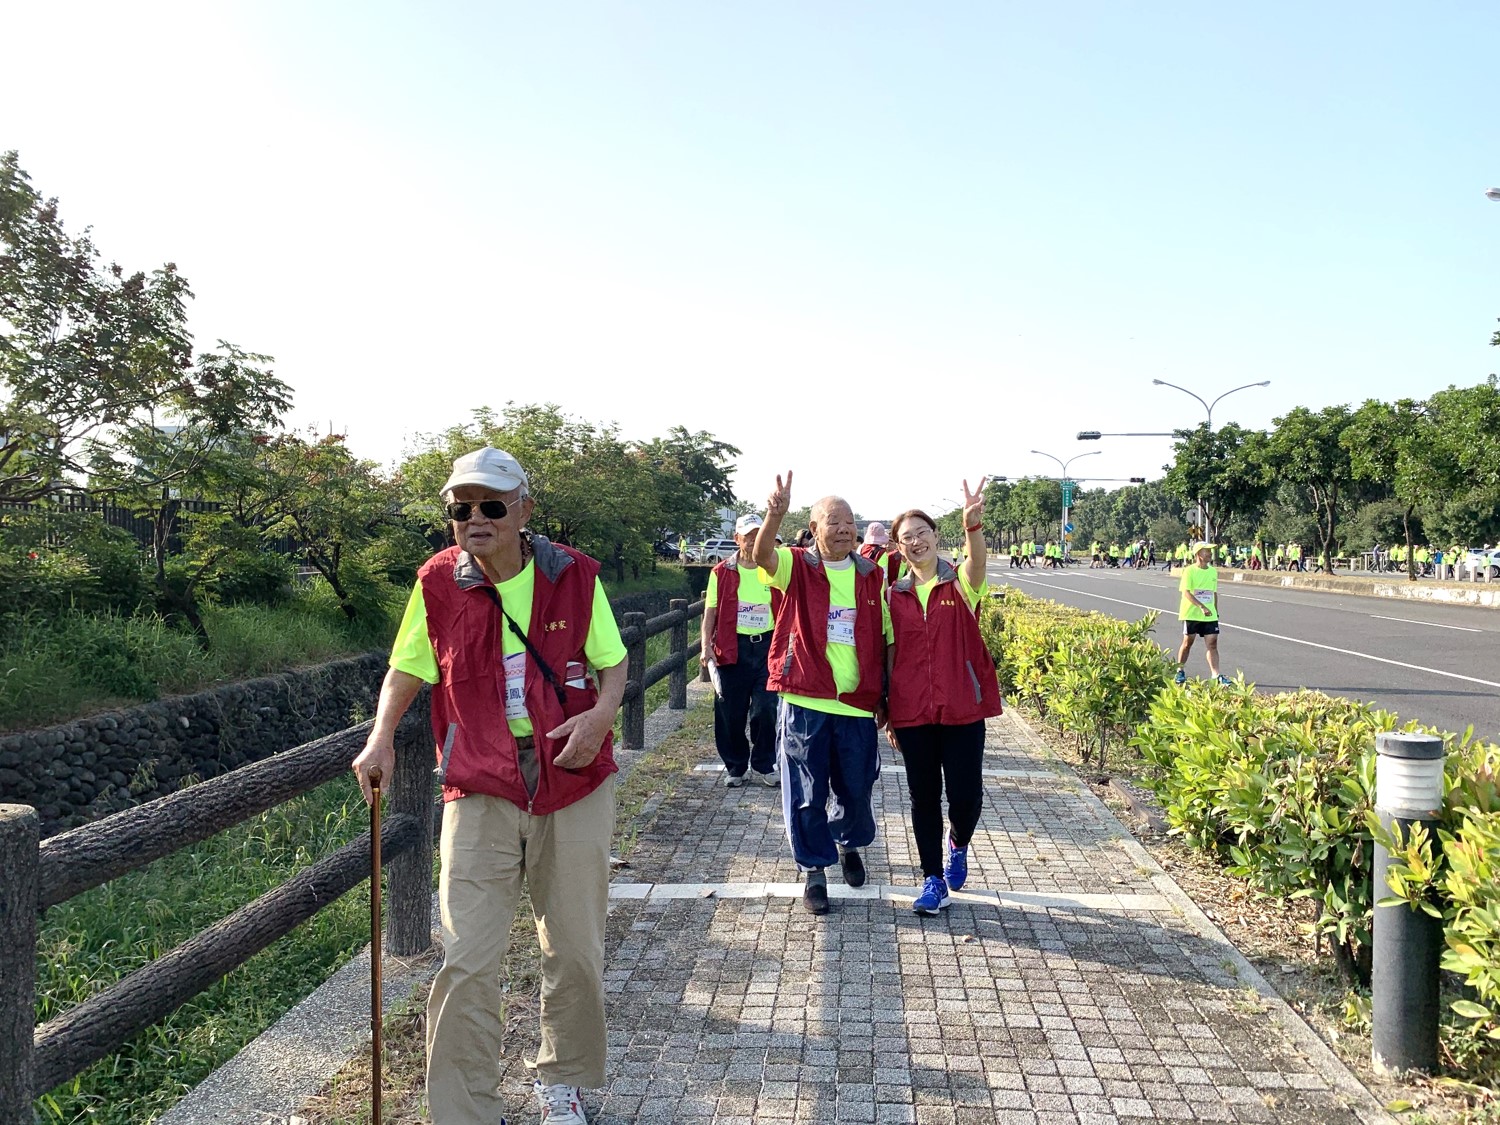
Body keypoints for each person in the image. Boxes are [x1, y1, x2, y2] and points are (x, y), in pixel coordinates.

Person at [352, 446, 627, 1125]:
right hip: (479, 778)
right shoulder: (438, 581)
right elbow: (406, 668)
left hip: (571, 775)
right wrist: (381, 734)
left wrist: (598, 716)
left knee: (574, 947)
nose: (475, 518)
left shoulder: (572, 574)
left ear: (524, 509)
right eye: (461, 507)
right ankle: (465, 1108)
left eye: (492, 505)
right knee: (468, 955)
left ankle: (562, 1082)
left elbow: (613, 665)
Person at [752, 472, 890, 916]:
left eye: (850, 521)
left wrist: (885, 695)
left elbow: (885, 637)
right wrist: (774, 514)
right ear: (814, 529)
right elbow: (762, 555)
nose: (845, 529)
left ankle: (848, 844)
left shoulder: (872, 575)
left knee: (857, 787)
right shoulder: (798, 565)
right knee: (806, 791)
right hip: (806, 699)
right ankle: (814, 870)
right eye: (834, 521)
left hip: (856, 703)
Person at [884, 483, 1004, 916]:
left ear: (936, 536)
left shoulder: (961, 584)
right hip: (912, 710)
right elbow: (889, 653)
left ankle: (959, 843)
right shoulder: (892, 596)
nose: (915, 542)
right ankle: (932, 878)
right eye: (906, 538)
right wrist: (888, 712)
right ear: (898, 549)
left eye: (921, 533)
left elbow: (978, 559)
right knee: (923, 796)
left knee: (966, 794)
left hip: (961, 707)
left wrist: (973, 522)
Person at [702, 513, 781, 788]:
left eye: (757, 535)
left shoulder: (772, 569)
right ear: (737, 539)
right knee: (730, 712)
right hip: (731, 647)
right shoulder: (722, 572)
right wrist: (705, 646)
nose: (753, 541)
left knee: (766, 708)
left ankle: (765, 763)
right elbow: (709, 612)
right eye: (748, 536)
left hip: (766, 647)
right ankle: (736, 766)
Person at [1174, 540, 1230, 687]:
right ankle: (1180, 670)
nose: (1210, 554)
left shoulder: (1212, 571)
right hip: (1192, 613)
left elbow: (1214, 593)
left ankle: (1216, 674)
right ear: (1198, 554)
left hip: (1209, 615)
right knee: (1187, 643)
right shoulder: (1190, 571)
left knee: (1212, 644)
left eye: (1210, 551)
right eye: (1207, 551)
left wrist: (1215, 611)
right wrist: (1201, 607)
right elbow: (1186, 593)